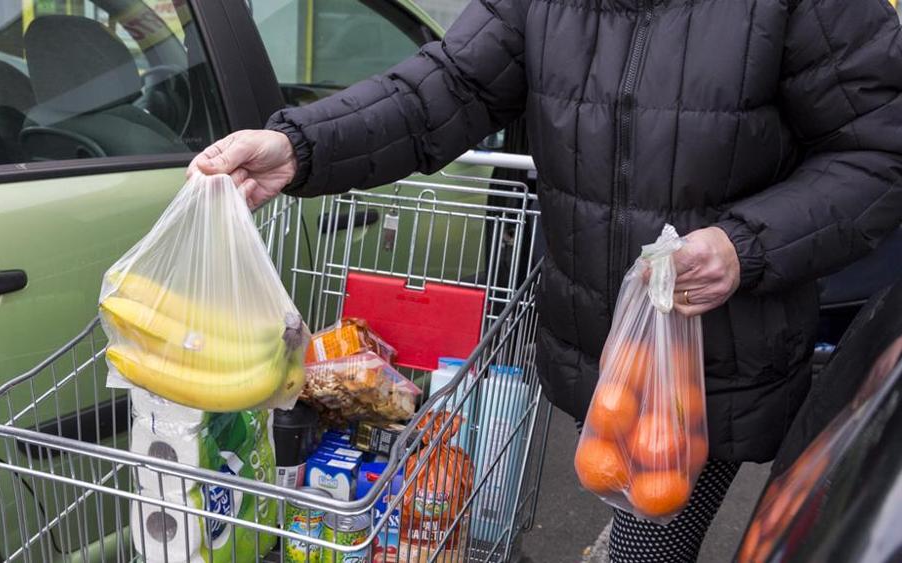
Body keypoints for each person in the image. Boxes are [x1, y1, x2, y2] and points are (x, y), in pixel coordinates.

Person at [192, 0, 902, 560]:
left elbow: (880, 152)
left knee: (648, 535)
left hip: (715, 368)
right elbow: (443, 87)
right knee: (621, 498)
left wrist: (745, 245)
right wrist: (302, 144)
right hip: (600, 358)